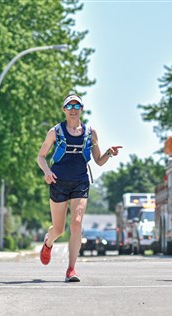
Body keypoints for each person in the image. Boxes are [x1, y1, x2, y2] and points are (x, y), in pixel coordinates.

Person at [36, 94, 122, 282]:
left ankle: (71, 269)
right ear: (64, 109)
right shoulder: (55, 132)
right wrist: (47, 172)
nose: (73, 109)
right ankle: (48, 243)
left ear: (82, 109)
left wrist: (109, 153)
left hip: (81, 181)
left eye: (77, 105)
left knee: (76, 222)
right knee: (58, 229)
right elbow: (40, 156)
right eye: (69, 105)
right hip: (58, 181)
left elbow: (99, 161)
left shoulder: (91, 133)